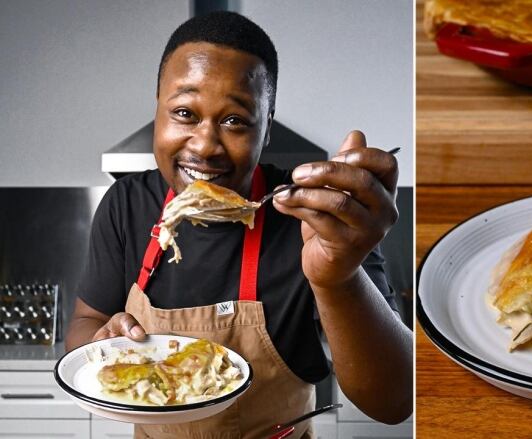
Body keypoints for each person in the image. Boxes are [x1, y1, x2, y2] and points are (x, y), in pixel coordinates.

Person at [65, 11, 412, 439]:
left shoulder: (318, 219)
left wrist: (337, 276)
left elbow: (394, 402)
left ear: (266, 130)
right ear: (157, 112)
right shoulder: (125, 205)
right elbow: (86, 322)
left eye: (235, 121)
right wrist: (102, 343)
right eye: (185, 113)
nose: (206, 145)